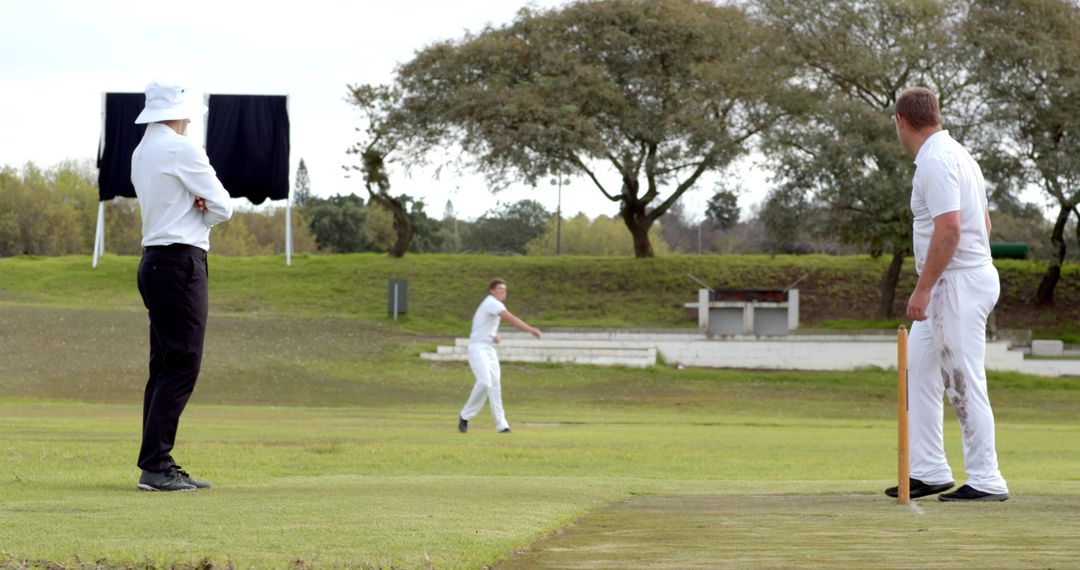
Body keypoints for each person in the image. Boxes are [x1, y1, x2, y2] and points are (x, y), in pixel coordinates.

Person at [887, 87, 1009, 502]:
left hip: (955, 284)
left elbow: (951, 229)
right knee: (918, 369)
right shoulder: (958, 154)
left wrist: (924, 289)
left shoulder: (936, 161)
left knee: (962, 379)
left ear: (901, 121)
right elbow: (986, 224)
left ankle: (987, 479)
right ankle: (930, 470)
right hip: (960, 278)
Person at [131, 79, 233, 491]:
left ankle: (156, 461)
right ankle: (156, 466)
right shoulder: (181, 148)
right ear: (180, 110)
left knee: (164, 367)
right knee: (183, 363)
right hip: (180, 263)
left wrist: (196, 206)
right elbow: (223, 207)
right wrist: (203, 212)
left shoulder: (142, 150)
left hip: (153, 261)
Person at [458, 278, 541, 434]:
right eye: (500, 289)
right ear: (492, 291)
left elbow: (484, 327)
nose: (503, 292)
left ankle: (502, 425)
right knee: (484, 382)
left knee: (495, 386)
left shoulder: (494, 305)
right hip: (477, 348)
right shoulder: (491, 302)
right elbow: (510, 318)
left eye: (505, 290)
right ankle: (464, 416)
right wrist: (531, 329)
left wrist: (495, 337)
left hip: (489, 349)